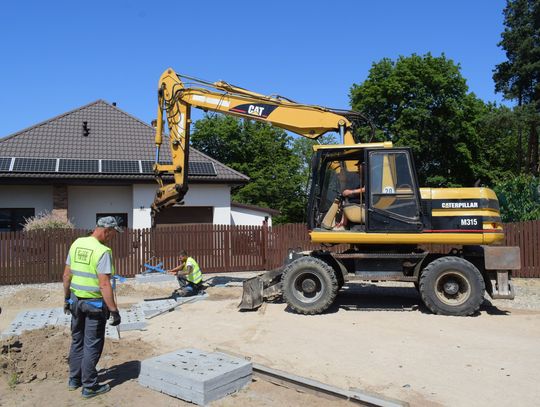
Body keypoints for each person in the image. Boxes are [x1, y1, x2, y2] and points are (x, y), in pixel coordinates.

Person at [62, 216, 122, 399]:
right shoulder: (103, 251)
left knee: (77, 340)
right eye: (113, 234)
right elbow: (104, 284)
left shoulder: (77, 243)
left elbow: (66, 275)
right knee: (92, 344)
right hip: (94, 305)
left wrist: (66, 299)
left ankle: (74, 379)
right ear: (107, 230)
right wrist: (114, 311)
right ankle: (89, 386)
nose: (112, 237)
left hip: (75, 301)